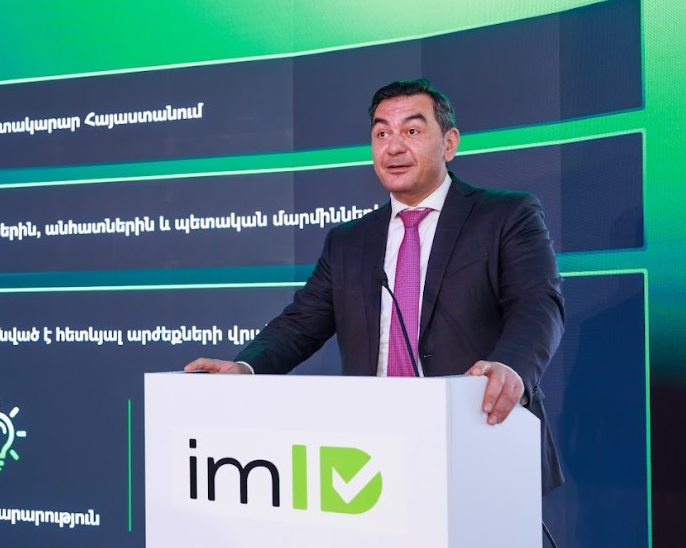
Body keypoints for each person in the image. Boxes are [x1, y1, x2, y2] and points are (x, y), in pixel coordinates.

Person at [186, 79, 565, 492]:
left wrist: (511, 367)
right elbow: (301, 323)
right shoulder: (349, 241)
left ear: (449, 143)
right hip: (374, 453)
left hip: (480, 434)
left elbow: (538, 303)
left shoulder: (506, 215)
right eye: (382, 133)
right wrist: (246, 366)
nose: (394, 147)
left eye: (412, 131)